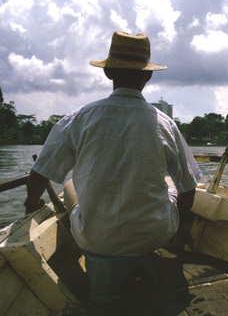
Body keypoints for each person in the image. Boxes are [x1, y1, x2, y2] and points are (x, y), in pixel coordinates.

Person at [24, 31, 202, 258]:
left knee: (70, 183)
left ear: (107, 72)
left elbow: (40, 172)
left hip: (93, 239)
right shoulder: (166, 124)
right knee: (171, 181)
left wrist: (32, 204)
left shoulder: (78, 119)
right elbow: (188, 187)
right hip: (155, 234)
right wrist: (183, 225)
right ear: (147, 76)